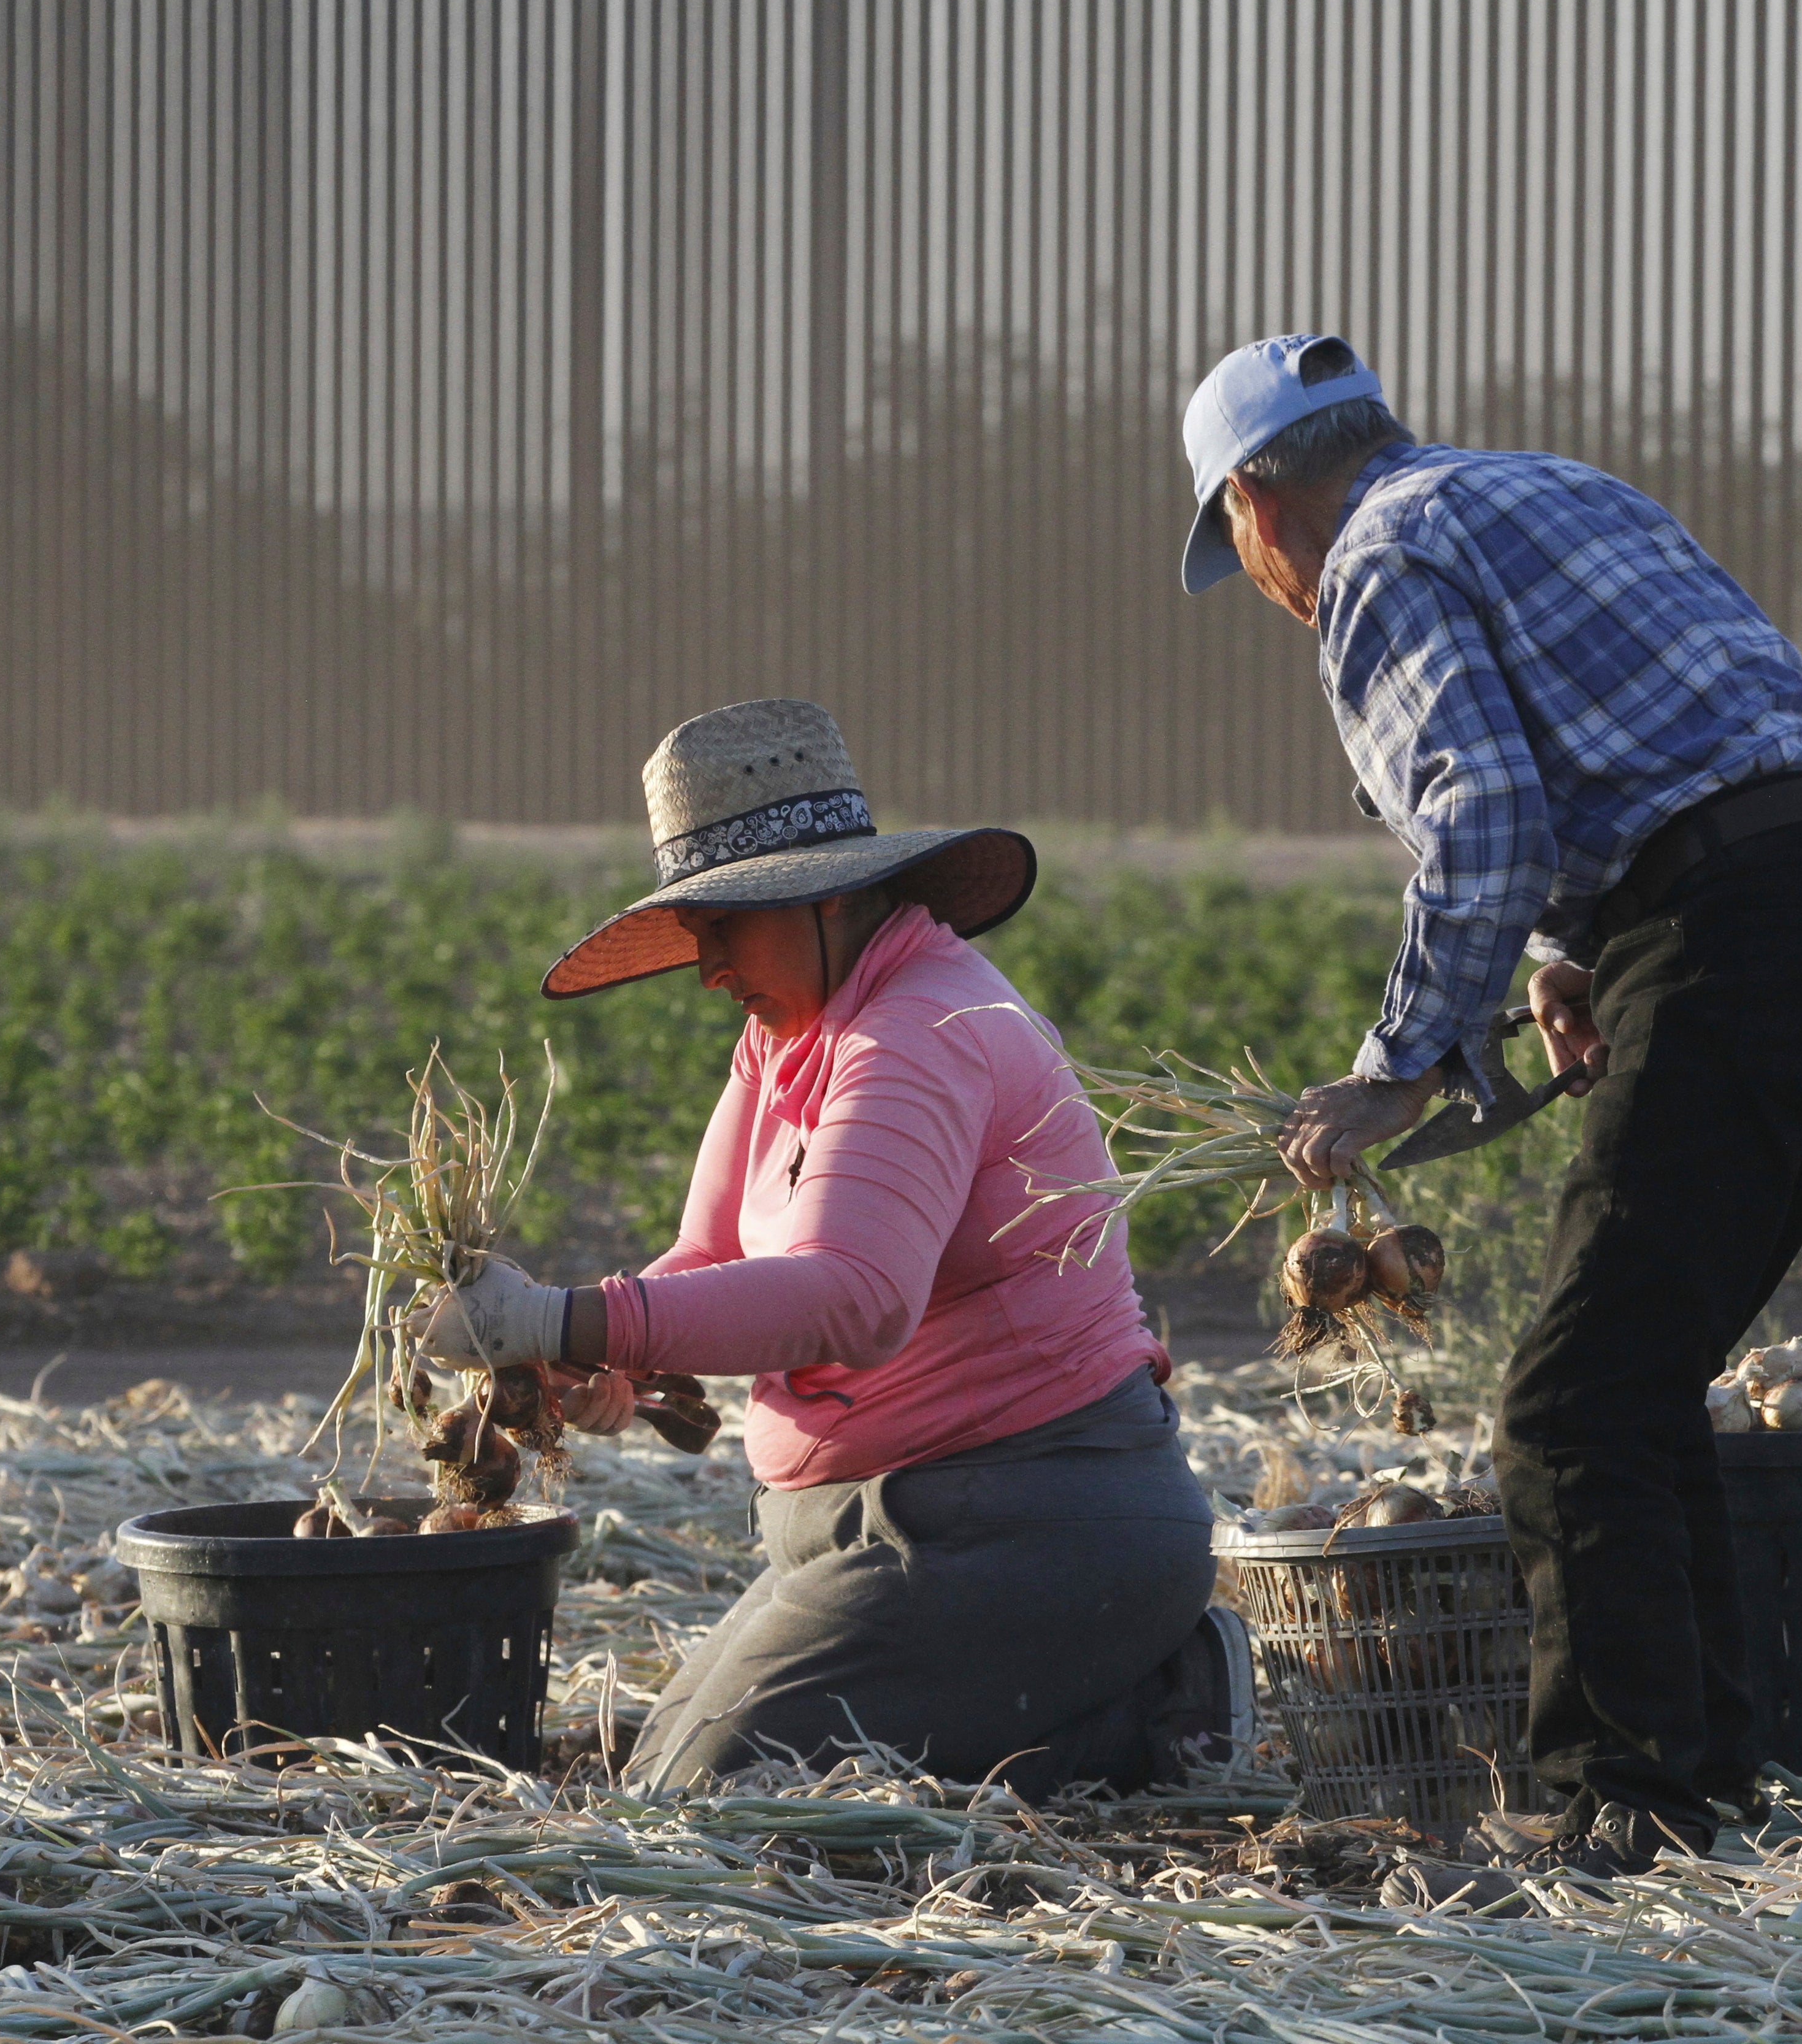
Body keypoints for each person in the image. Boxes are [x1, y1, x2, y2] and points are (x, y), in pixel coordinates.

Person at [1178, 334, 1802, 1883]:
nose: (1265, 579)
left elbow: (1481, 810)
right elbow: (1650, 736)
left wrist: (1399, 1070)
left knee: (1569, 1404)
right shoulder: (1544, 487)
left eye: (1243, 543)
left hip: (1737, 932)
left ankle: (1618, 1803)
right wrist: (1575, 954)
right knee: (1638, 1378)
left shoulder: (1376, 559)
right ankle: (1705, 1783)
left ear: (1262, 504)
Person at [418, 697, 1246, 1796]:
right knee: (661, 1764)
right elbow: (708, 1255)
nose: (708, 965)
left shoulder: (921, 1029)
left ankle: (1159, 1711)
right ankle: (1083, 1694)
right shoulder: (786, 1038)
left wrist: (567, 1315)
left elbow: (857, 1299)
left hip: (1018, 1519)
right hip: (873, 1528)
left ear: (837, 895)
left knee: (704, 1792)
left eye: (726, 924)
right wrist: (590, 1360)